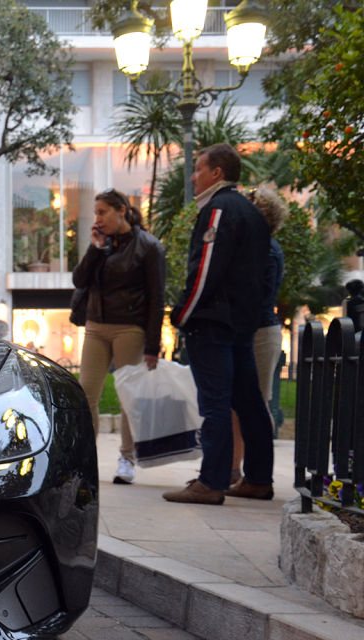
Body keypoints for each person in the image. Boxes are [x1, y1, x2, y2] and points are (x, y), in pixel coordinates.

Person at [163, 144, 273, 504]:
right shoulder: (253, 214)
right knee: (249, 402)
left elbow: (205, 270)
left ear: (217, 173)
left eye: (197, 169)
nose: (193, 176)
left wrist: (181, 313)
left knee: (215, 403)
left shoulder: (217, 209)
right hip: (241, 324)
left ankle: (211, 483)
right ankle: (258, 479)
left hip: (212, 323)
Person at [70, 188, 166, 485]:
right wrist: (95, 248)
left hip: (130, 328)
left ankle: (127, 459)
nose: (97, 218)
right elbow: (79, 280)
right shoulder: (103, 244)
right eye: (96, 212)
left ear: (122, 210)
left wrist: (152, 344)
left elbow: (156, 297)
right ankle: (86, 460)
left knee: (128, 397)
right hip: (96, 326)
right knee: (86, 394)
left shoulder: (149, 246)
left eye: (103, 212)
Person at [230, 188, 287, 487]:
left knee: (255, 402)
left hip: (260, 332)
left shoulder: (266, 249)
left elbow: (259, 296)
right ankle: (235, 470)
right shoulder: (258, 246)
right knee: (239, 404)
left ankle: (255, 473)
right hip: (253, 330)